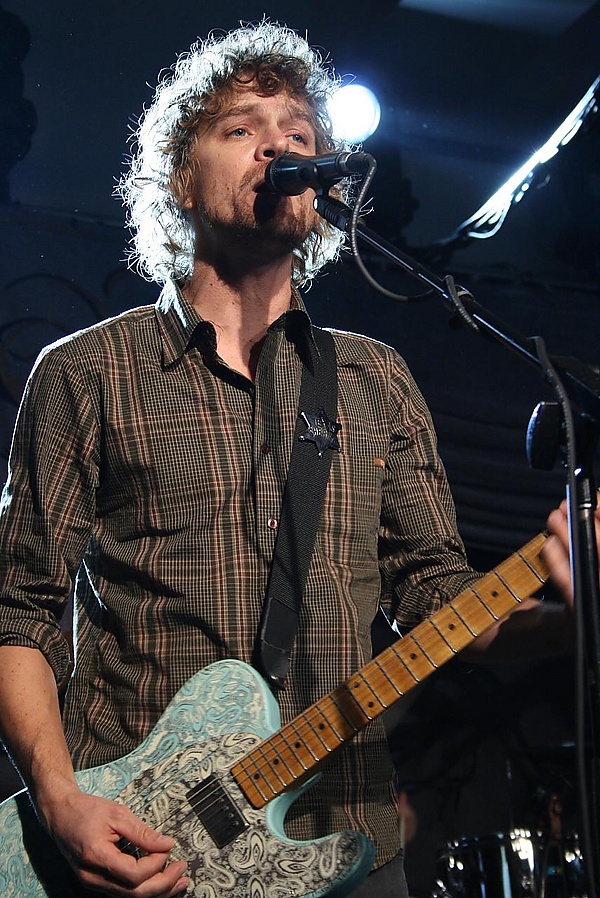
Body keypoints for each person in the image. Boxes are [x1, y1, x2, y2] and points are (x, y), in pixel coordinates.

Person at [0, 20, 596, 898]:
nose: (279, 146)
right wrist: (60, 802)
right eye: (241, 128)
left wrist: (575, 619)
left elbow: (442, 606)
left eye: (300, 135)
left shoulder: (374, 378)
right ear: (180, 177)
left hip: (346, 842)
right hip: (140, 848)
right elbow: (17, 613)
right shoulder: (87, 372)